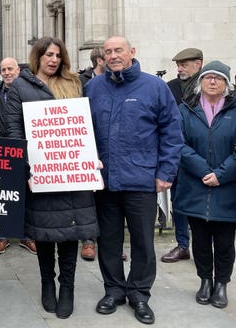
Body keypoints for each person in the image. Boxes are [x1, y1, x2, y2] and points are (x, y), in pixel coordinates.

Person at [84, 36, 183, 325]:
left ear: (132, 53)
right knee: (109, 241)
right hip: (104, 181)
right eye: (109, 52)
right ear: (103, 57)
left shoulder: (154, 87)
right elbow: (83, 131)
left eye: (119, 50)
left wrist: (166, 173)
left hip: (141, 180)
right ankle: (113, 290)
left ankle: (139, 293)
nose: (113, 55)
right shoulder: (93, 87)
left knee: (142, 241)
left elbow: (172, 132)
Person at [4, 37, 98, 319]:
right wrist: (27, 168)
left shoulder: (74, 83)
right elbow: (14, 129)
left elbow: (85, 126)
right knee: (44, 234)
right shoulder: (21, 86)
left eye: (58, 55)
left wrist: (89, 157)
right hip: (41, 174)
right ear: (38, 57)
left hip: (71, 173)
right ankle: (47, 281)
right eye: (48, 55)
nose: (53, 59)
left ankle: (66, 286)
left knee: (69, 233)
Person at [174, 60, 236, 309]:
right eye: (208, 77)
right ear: (201, 82)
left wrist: (222, 174)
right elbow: (178, 143)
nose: (212, 81)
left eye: (218, 78)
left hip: (228, 187)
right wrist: (203, 170)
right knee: (199, 240)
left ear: (226, 84)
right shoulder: (186, 109)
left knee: (224, 242)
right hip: (195, 186)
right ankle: (205, 281)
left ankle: (221, 284)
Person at [0, 57, 37, 256]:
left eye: (10, 69)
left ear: (18, 70)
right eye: (3, 69)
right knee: (3, 193)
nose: (7, 72)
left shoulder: (28, 91)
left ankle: (26, 235)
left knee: (26, 193)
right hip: (3, 149)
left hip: (25, 147)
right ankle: (3, 236)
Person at [161, 48, 203, 263]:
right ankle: (182, 245)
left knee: (203, 202)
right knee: (178, 201)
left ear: (198, 63)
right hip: (178, 154)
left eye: (184, 64)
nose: (179, 69)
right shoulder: (171, 87)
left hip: (203, 157)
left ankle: (205, 246)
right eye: (178, 64)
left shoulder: (209, 85)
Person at [78, 46, 106, 262]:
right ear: (99, 59)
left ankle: (109, 242)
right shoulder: (82, 82)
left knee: (107, 198)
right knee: (87, 195)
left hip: (104, 144)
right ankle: (89, 241)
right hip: (84, 142)